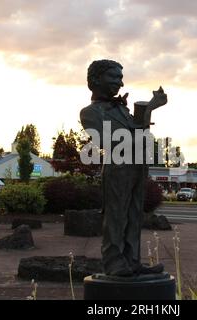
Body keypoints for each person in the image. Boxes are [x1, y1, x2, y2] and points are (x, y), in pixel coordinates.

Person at [80, 60, 167, 276]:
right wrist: (144, 116)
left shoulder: (122, 110)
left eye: (121, 77)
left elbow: (139, 135)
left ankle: (132, 260)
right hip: (118, 169)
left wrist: (149, 109)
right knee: (116, 214)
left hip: (137, 167)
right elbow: (112, 142)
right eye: (115, 77)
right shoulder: (90, 113)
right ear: (96, 80)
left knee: (135, 215)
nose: (120, 82)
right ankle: (114, 262)